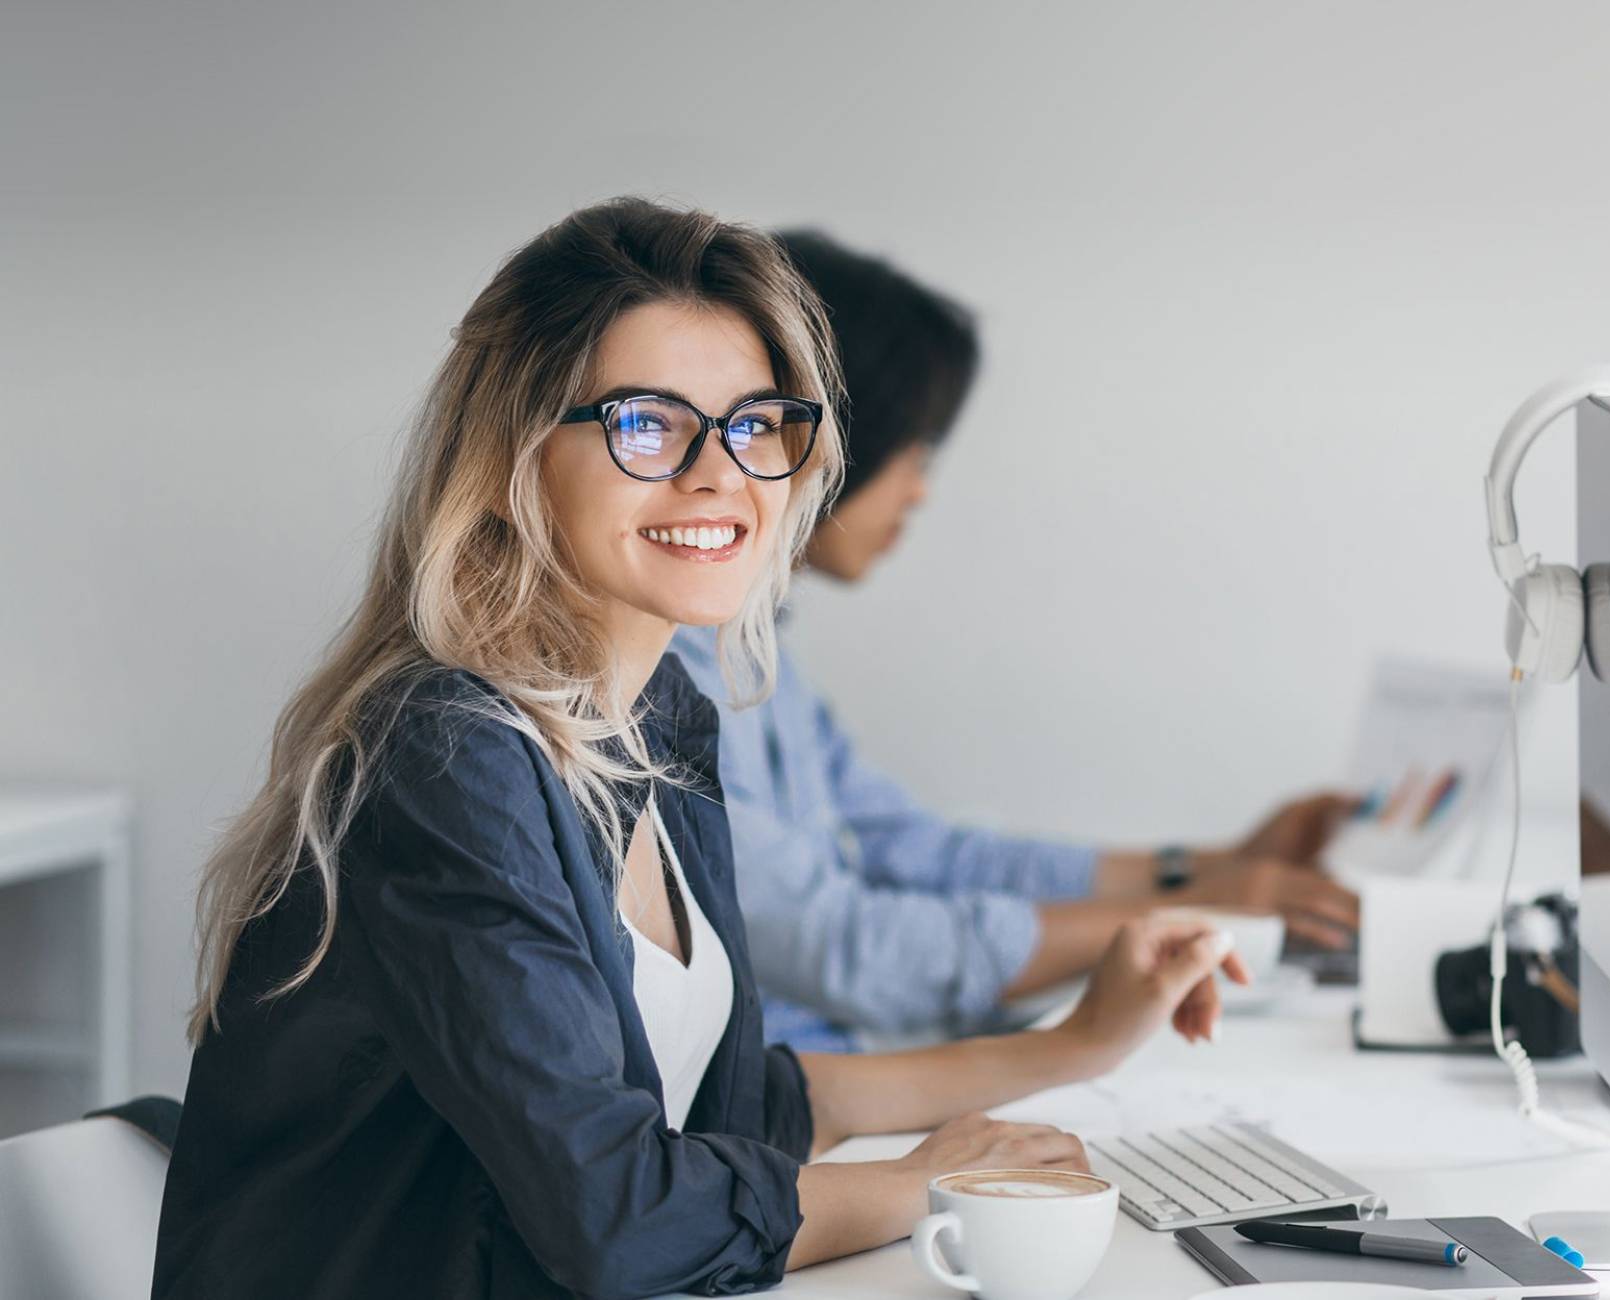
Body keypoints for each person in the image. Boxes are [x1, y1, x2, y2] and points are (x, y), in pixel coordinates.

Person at [154, 198, 1246, 1299]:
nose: (720, 470)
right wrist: (928, 1185)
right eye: (647, 423)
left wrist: (1073, 1046)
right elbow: (619, 1219)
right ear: (515, 455)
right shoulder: (447, 755)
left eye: (758, 422)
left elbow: (728, 1108)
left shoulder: (658, 713)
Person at [672, 230, 1360, 1051]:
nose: (921, 490)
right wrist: (1187, 913)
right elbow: (842, 945)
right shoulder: (667, 676)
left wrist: (1204, 870)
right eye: (914, 448)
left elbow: (918, 851)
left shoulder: (758, 658)